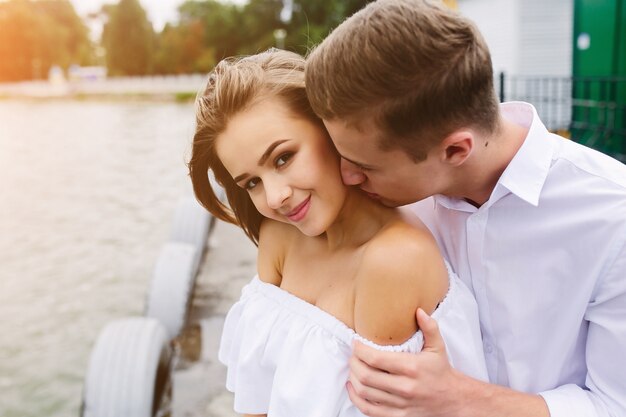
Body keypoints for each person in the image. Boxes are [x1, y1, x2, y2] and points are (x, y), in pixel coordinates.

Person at [305, 1, 626, 416]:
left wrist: (456, 398)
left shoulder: (612, 215)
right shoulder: (388, 199)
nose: (345, 177)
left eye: (364, 167)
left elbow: (615, 404)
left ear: (456, 149)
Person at [188, 49, 488, 416]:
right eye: (251, 182)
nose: (275, 196)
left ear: (331, 129)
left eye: (283, 158)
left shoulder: (392, 261)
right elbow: (257, 396)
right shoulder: (279, 238)